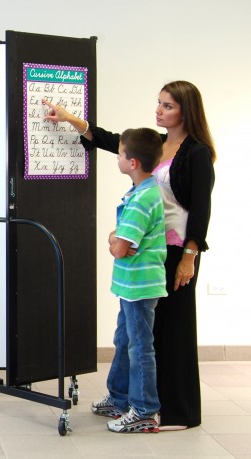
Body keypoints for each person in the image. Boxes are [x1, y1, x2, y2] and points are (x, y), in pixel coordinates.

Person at [42, 80, 216, 429]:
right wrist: (69, 118)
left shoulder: (196, 153)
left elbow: (201, 208)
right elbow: (111, 140)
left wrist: (189, 256)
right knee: (143, 333)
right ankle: (141, 401)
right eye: (159, 103)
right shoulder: (155, 144)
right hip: (150, 249)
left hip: (177, 251)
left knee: (173, 331)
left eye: (167, 105)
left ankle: (177, 411)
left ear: (186, 110)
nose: (159, 110)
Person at [98, 128, 167, 433]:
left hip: (139, 286)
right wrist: (118, 240)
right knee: (124, 340)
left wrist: (113, 240)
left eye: (121, 153)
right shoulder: (140, 192)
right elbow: (124, 243)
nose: (118, 156)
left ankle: (144, 410)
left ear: (133, 162)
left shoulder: (142, 200)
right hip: (130, 285)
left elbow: (119, 247)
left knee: (140, 347)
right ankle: (120, 397)